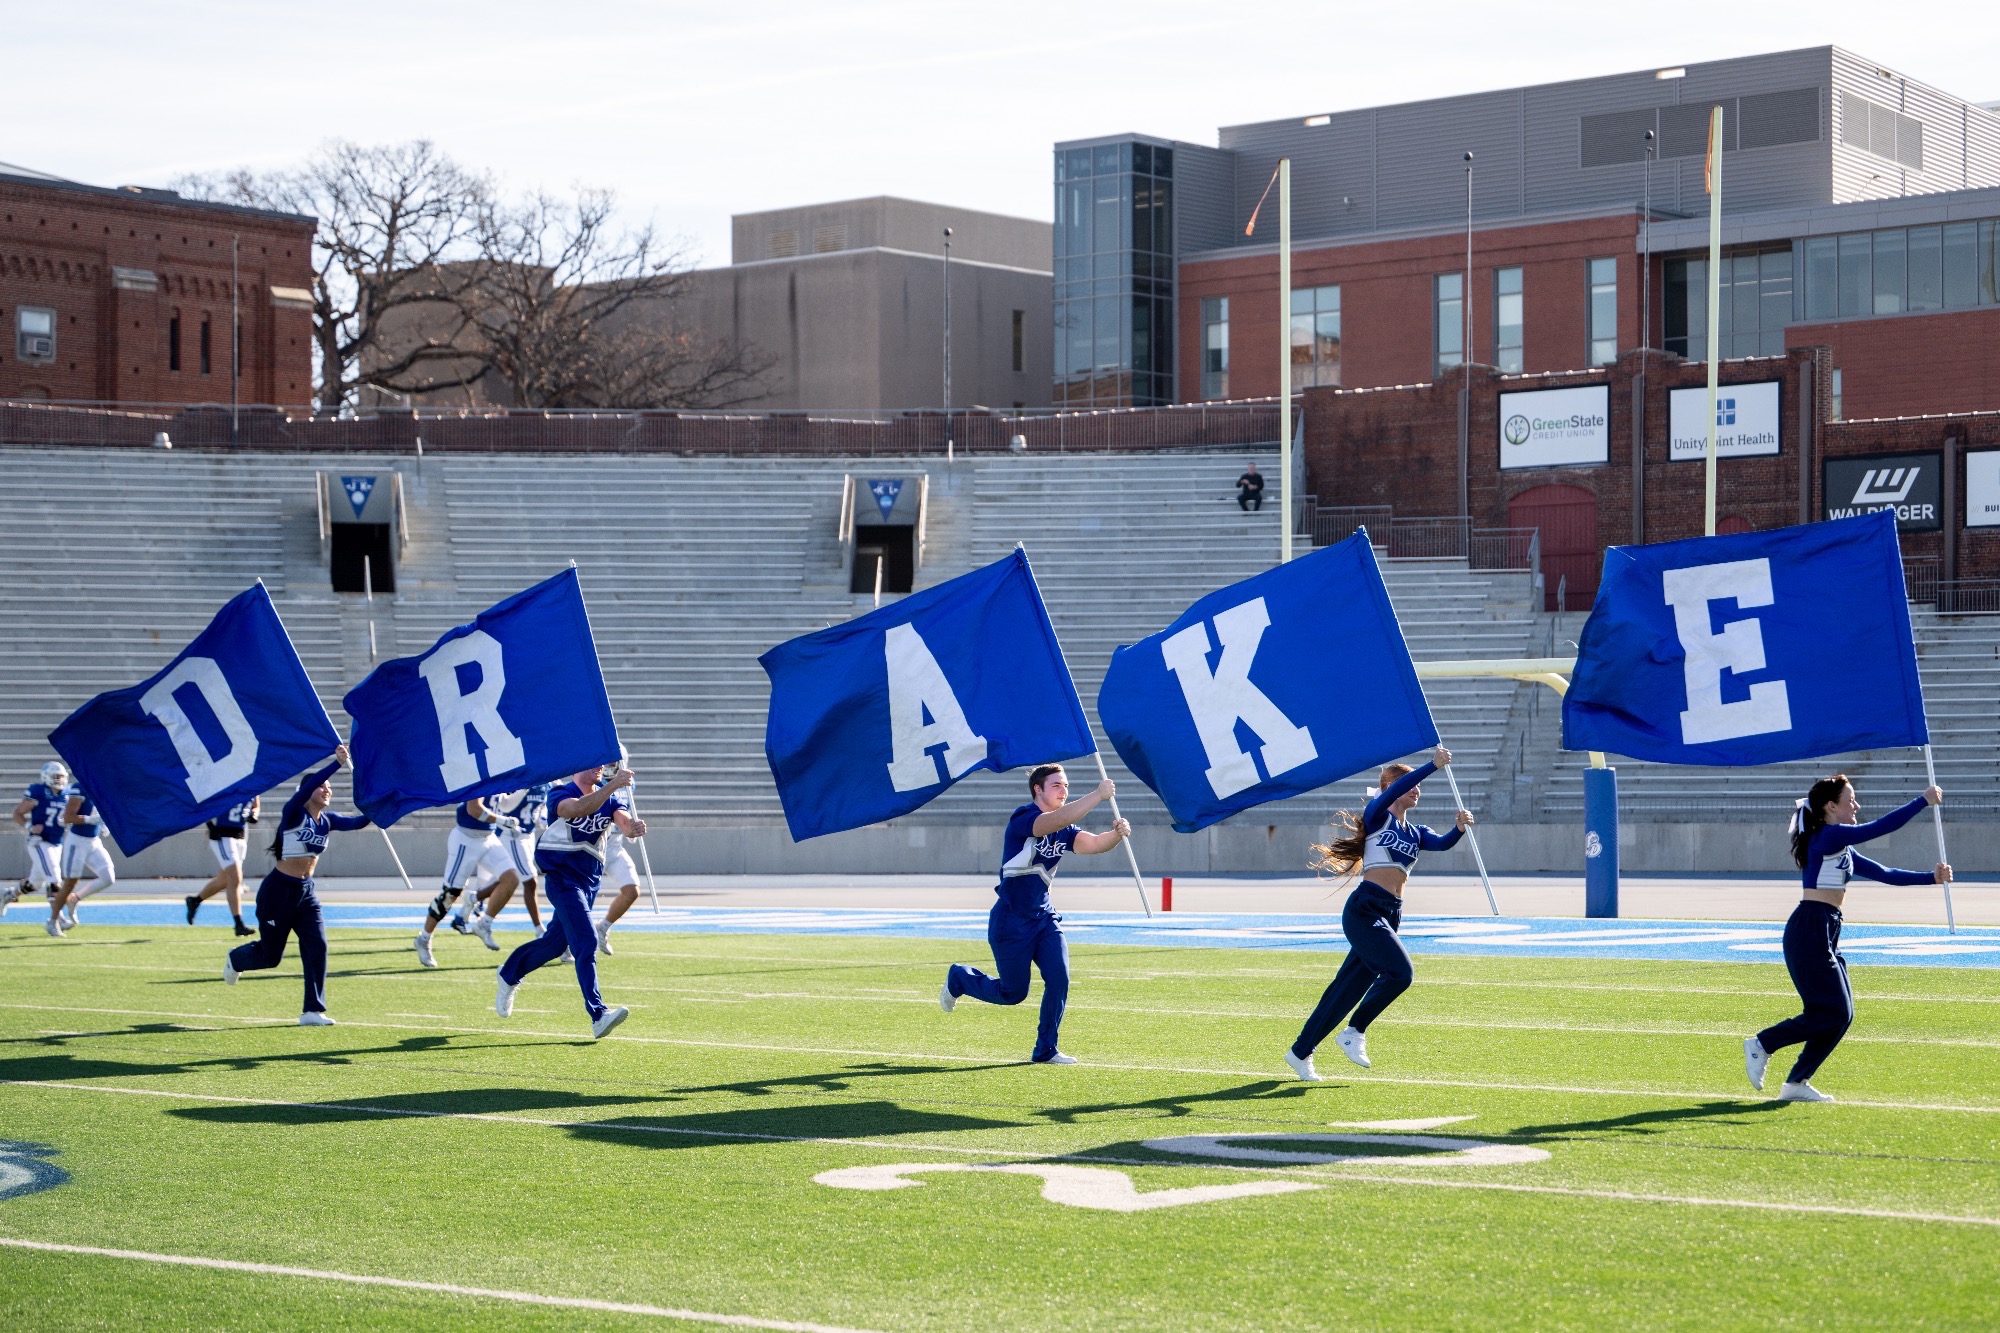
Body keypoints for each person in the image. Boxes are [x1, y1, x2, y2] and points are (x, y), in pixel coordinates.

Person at [1743, 774, 1950, 1104]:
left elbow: (1887, 875)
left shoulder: (1842, 848)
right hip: (1809, 927)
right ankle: (1764, 1043)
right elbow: (1878, 829)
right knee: (1832, 1012)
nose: (1856, 805)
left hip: (1827, 928)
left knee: (1841, 1014)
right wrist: (1922, 801)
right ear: (1830, 807)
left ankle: (1796, 1082)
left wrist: (1932, 878)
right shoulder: (1828, 835)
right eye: (1850, 800)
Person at [1284, 745, 1471, 1080]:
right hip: (1365, 909)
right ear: (1390, 790)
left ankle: (1300, 1052)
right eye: (1410, 784)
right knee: (1401, 974)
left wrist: (1458, 828)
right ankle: (1355, 1030)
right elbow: (1399, 788)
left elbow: (1442, 844)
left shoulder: (1416, 832)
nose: (1417, 789)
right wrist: (1431, 765)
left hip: (1391, 914)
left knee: (1345, 990)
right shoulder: (1377, 815)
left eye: (1418, 785)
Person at [939, 764, 1131, 1065]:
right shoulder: (1024, 818)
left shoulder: (1065, 829)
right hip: (1010, 920)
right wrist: (1097, 795)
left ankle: (1046, 1049)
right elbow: (1050, 823)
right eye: (1056, 785)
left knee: (1060, 978)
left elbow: (1093, 843)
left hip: (1044, 919)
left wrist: (1116, 835)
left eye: (1065, 785)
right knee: (1013, 993)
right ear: (1037, 790)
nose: (1063, 790)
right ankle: (960, 978)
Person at [494, 761, 645, 1039]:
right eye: (592, 765)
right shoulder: (560, 793)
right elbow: (575, 809)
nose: (599, 768)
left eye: (602, 765)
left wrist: (632, 828)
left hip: (589, 884)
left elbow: (623, 820)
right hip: (563, 880)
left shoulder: (608, 798)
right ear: (576, 768)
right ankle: (598, 1014)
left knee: (553, 945)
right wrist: (613, 785)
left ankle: (509, 973)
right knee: (586, 942)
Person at [224, 745, 369, 1025]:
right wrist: (336, 764)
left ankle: (313, 1010)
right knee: (271, 956)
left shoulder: (328, 820)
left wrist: (386, 804)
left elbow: (360, 822)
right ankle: (236, 958)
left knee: (317, 945)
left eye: (329, 788)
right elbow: (311, 784)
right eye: (321, 787)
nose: (326, 790)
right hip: (278, 891)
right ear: (308, 792)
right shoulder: (293, 812)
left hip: (306, 893)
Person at [414, 794, 523, 967]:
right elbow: (474, 809)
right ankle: (424, 938)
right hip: (466, 839)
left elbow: (501, 803)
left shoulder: (499, 773)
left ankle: (484, 924)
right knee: (450, 895)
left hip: (488, 837)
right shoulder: (480, 773)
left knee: (511, 879)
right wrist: (503, 821)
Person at [458, 784, 548, 943]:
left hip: (529, 835)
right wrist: (525, 787)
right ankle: (539, 929)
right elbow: (505, 807)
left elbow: (543, 808)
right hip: (512, 835)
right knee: (530, 881)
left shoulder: (549, 783)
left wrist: (543, 816)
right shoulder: (520, 778)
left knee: (508, 880)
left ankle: (474, 898)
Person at [187, 796, 261, 936]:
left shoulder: (253, 783)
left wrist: (254, 815)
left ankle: (195, 901)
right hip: (222, 835)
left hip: (240, 836)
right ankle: (238, 924)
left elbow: (256, 805)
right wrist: (210, 826)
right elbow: (202, 805)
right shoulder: (227, 783)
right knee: (235, 878)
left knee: (224, 880)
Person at [5, 761, 69, 919]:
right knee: (54, 877)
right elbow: (17, 813)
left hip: (56, 842)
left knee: (35, 883)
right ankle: (57, 918)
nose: (59, 780)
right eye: (56, 776)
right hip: (39, 841)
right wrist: (29, 826)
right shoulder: (38, 792)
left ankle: (8, 894)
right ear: (47, 777)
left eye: (61, 777)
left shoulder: (67, 794)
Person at [49, 783, 116, 932]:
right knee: (70, 883)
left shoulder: (102, 787)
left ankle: (75, 899)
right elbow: (67, 817)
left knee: (108, 877)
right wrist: (91, 820)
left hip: (93, 840)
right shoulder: (80, 787)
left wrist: (103, 824)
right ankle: (53, 920)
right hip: (77, 841)